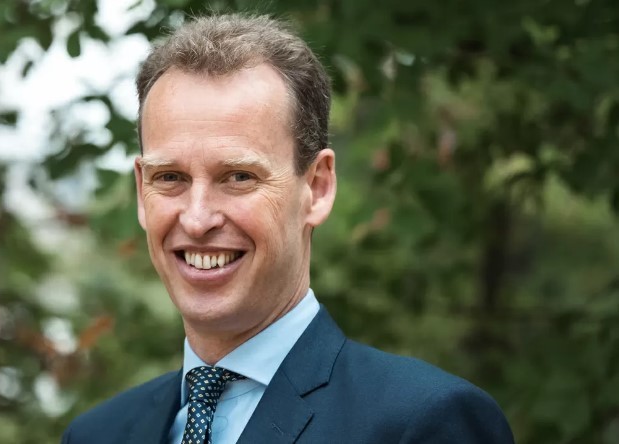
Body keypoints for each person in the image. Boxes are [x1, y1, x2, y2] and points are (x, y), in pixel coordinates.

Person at [62, 13, 514, 444]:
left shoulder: (423, 422)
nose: (197, 220)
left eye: (239, 177)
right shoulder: (96, 435)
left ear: (317, 187)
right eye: (170, 177)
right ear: (141, 191)